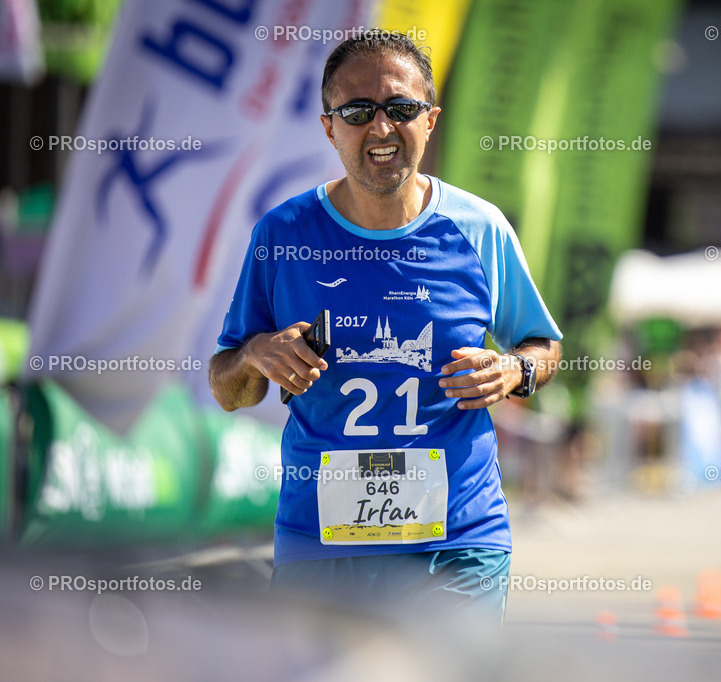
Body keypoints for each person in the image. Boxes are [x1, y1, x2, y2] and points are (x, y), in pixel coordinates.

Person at [208, 30, 562, 622]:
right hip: (320, 542)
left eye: (401, 109)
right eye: (356, 111)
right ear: (329, 126)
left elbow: (542, 344)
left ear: (429, 121)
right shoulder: (282, 234)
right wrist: (254, 356)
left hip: (458, 541)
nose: (380, 129)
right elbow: (227, 388)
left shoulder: (479, 229)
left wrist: (515, 370)